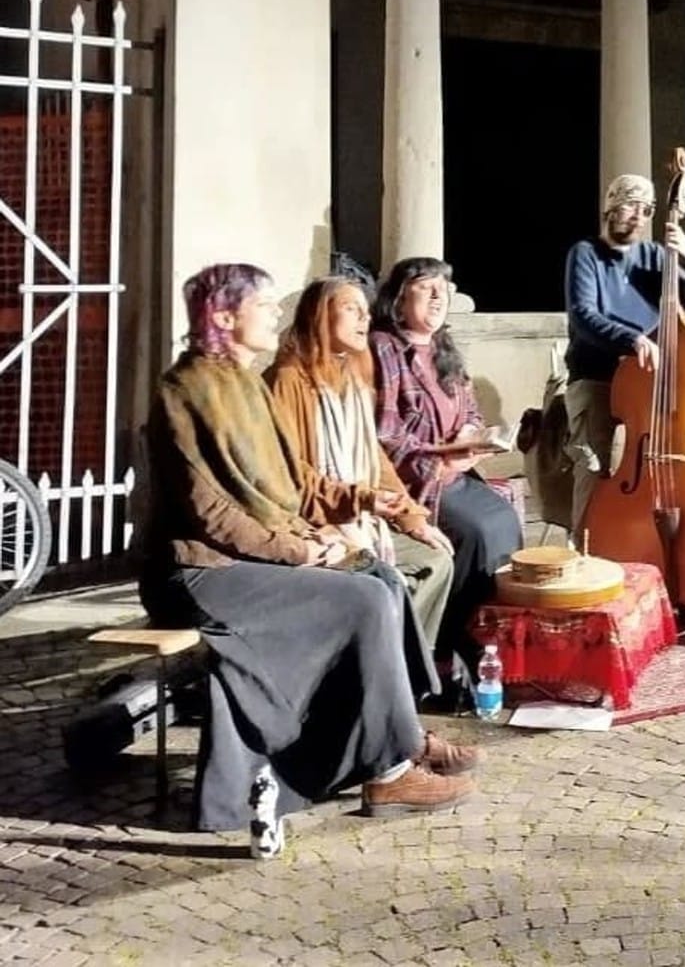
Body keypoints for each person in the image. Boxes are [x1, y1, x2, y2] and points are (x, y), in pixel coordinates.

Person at [139, 263, 477, 834]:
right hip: (199, 572)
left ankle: (400, 737)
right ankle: (391, 772)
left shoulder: (246, 382)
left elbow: (294, 482)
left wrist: (350, 508)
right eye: (264, 305)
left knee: (380, 577)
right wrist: (297, 550)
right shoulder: (184, 391)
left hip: (248, 558)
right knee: (364, 599)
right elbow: (211, 514)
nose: (277, 314)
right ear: (224, 316)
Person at [265, 276, 456, 647]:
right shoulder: (288, 380)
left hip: (361, 516)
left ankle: (404, 661)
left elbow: (374, 459)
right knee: (380, 578)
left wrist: (411, 517)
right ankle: (375, 662)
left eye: (366, 311)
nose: (364, 319)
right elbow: (289, 471)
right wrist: (357, 501)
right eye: (351, 308)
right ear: (320, 315)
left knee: (435, 560)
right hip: (316, 520)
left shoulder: (351, 377)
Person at [370, 257, 524, 666]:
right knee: (477, 532)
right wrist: (440, 461)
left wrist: (470, 435)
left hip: (456, 474)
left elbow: (470, 409)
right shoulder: (383, 347)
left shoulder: (443, 347)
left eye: (443, 288)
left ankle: (496, 641)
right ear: (399, 299)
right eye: (426, 287)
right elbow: (385, 435)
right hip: (418, 484)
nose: (439, 296)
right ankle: (449, 649)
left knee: (504, 519)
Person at [563, 172, 685, 533]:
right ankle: (585, 545)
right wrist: (632, 339)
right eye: (630, 206)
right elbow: (583, 315)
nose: (638, 216)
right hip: (597, 376)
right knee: (594, 464)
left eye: (646, 210)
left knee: (657, 461)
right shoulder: (585, 254)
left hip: (649, 381)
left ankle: (640, 541)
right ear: (610, 208)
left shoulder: (656, 256)